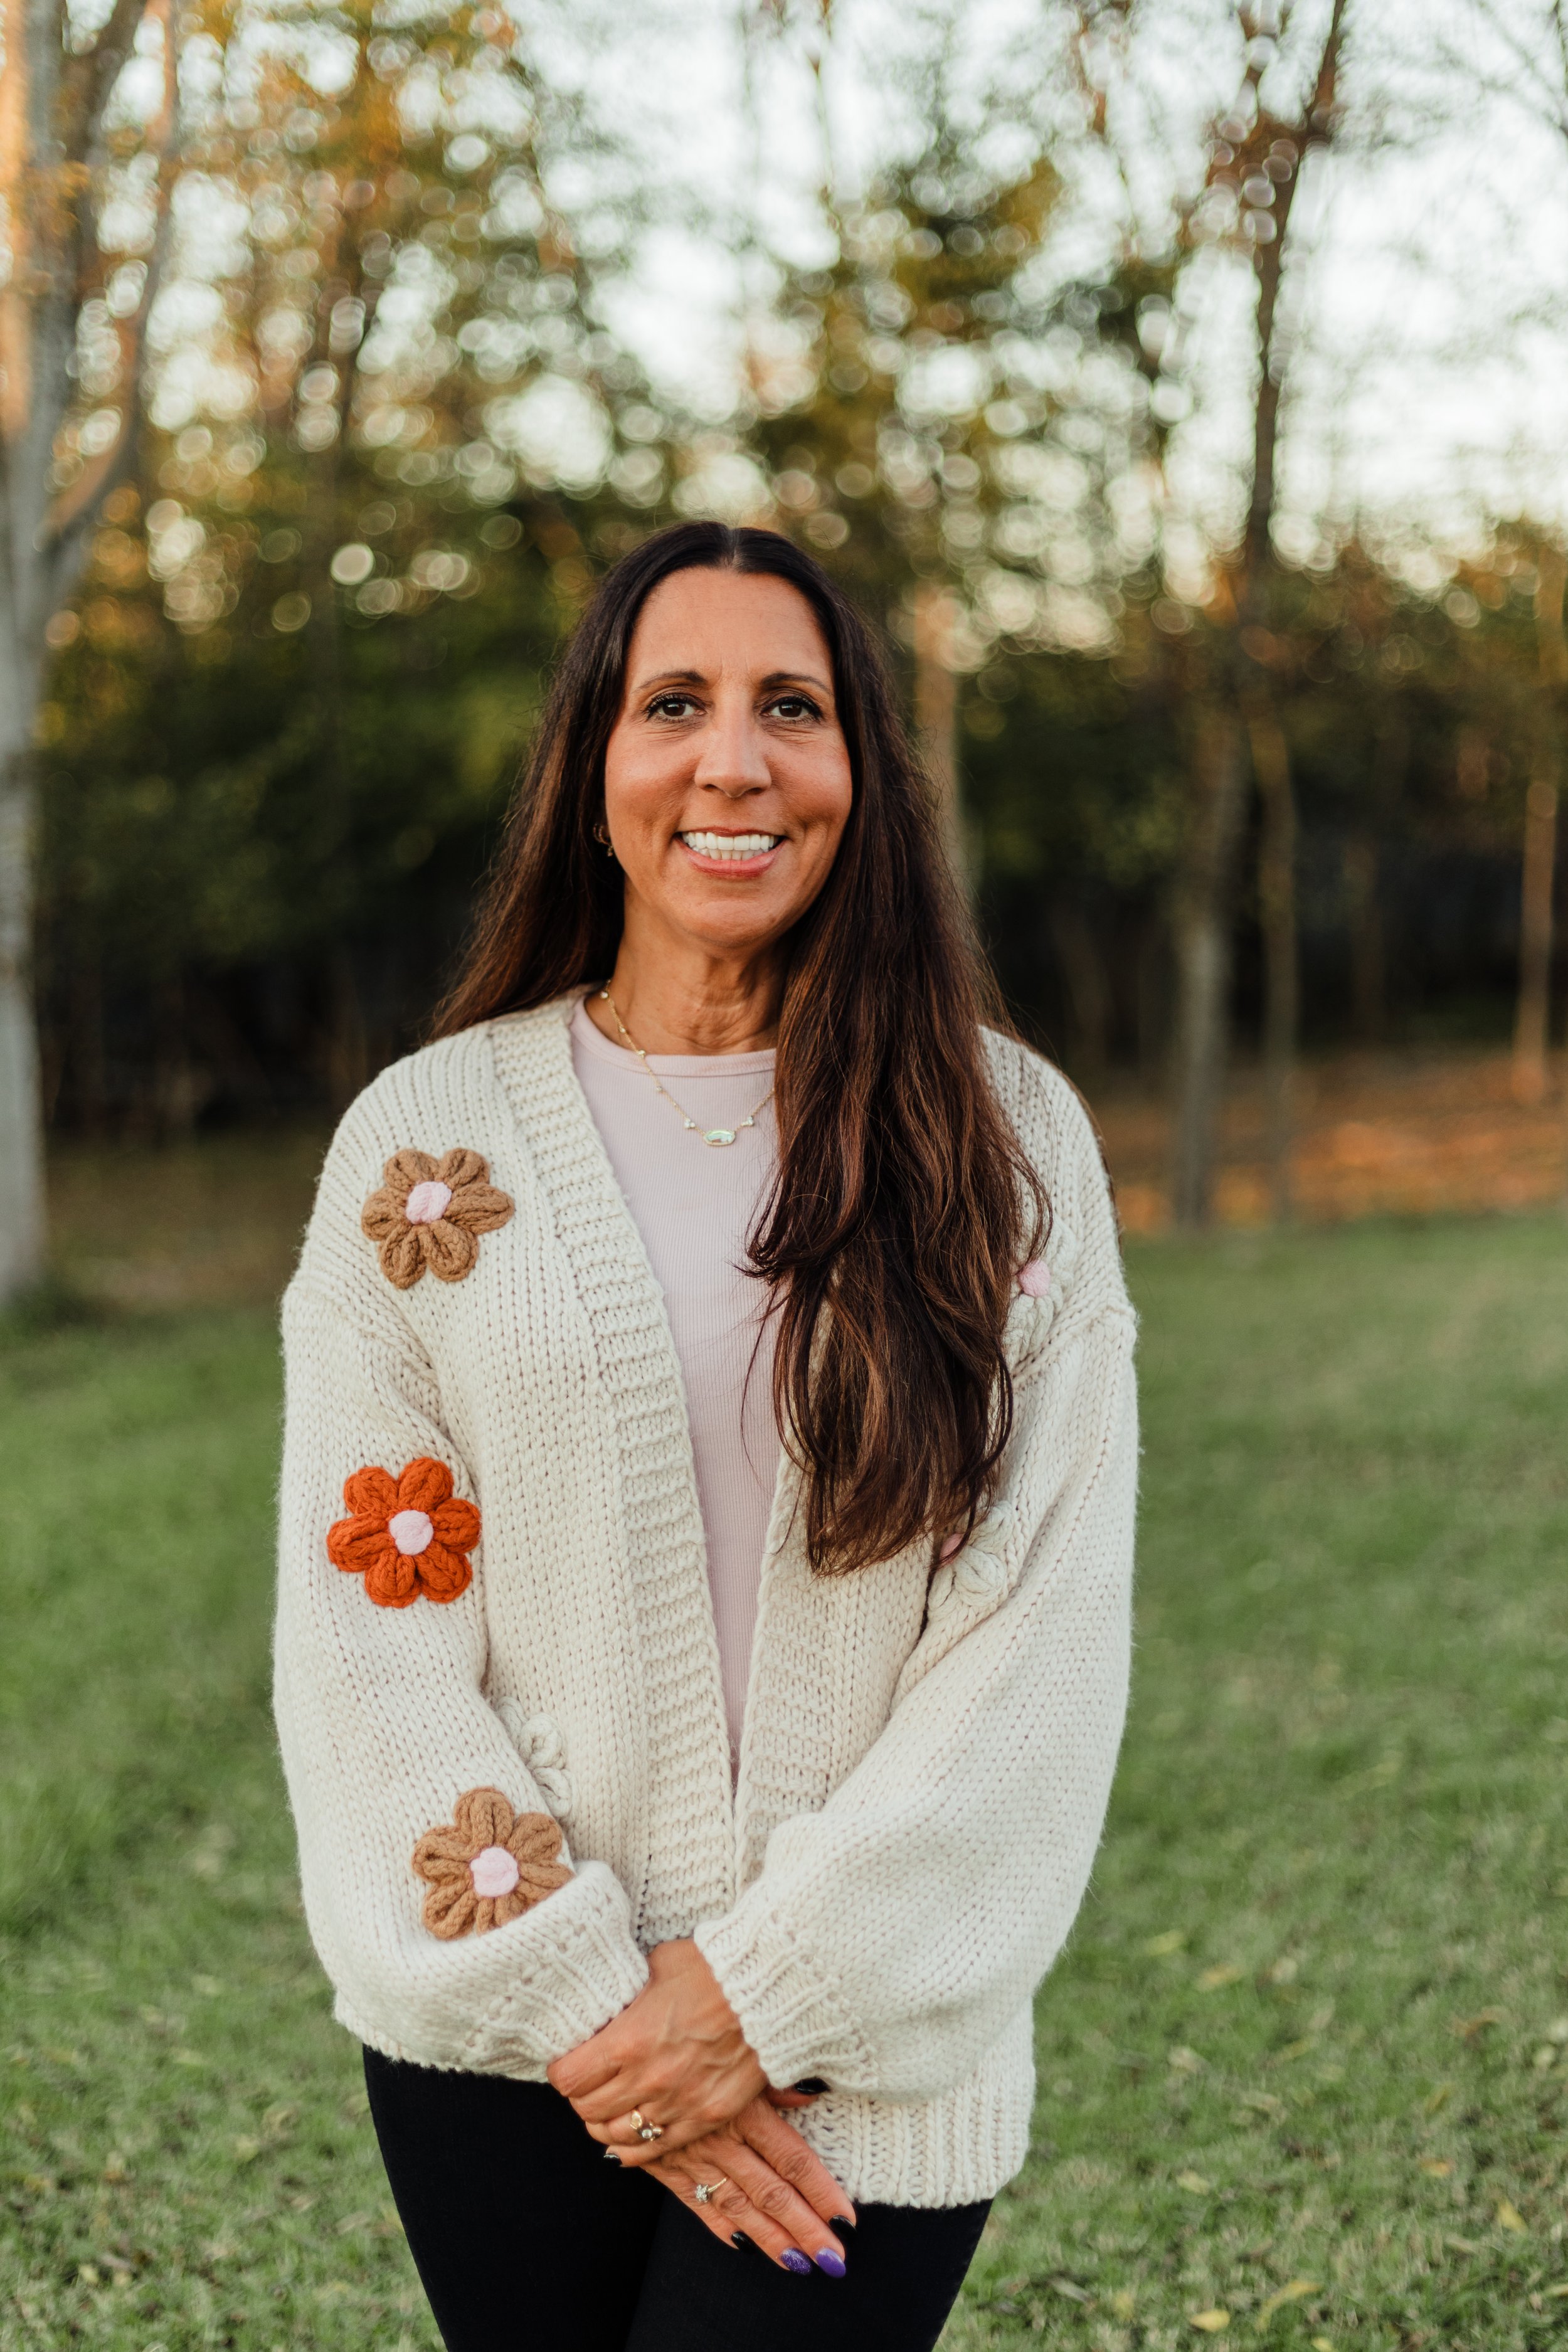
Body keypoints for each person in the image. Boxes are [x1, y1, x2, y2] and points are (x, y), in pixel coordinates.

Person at [273, 520, 1137, 2352]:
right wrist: (598, 2002)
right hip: (509, 2046)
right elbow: (368, 1636)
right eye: (674, 703)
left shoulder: (1002, 1140)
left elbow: (1036, 1639)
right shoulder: (427, 1153)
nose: (731, 759)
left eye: (791, 709)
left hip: (864, 2063)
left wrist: (756, 1996)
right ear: (593, 771)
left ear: (858, 778)